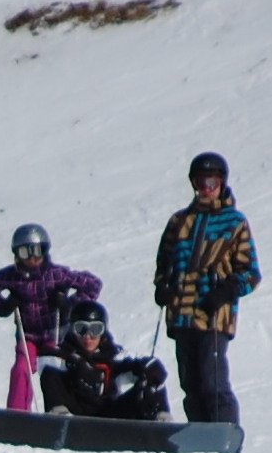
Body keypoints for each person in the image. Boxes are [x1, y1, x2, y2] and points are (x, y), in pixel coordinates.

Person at [153, 151, 260, 425]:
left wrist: (225, 291)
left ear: (222, 183)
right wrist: (163, 287)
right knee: (190, 384)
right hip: (181, 315)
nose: (206, 189)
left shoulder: (234, 222)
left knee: (212, 381)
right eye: (201, 182)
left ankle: (223, 432)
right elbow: (164, 263)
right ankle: (199, 435)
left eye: (212, 182)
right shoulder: (179, 222)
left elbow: (250, 273)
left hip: (213, 315)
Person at [0, 224, 102, 411]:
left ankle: (62, 408)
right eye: (25, 253)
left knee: (54, 370)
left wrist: (69, 304)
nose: (33, 258)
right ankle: (17, 414)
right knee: (21, 369)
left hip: (56, 334)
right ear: (16, 254)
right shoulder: (12, 276)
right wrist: (3, 306)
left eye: (38, 251)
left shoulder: (56, 275)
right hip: (28, 336)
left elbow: (93, 284)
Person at [39, 300, 170, 420]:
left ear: (104, 331)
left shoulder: (113, 355)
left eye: (96, 329)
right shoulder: (63, 355)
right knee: (50, 374)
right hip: (75, 415)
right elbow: (46, 361)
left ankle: (160, 421)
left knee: (151, 376)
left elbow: (134, 363)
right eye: (81, 329)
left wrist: (149, 368)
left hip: (109, 415)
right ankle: (59, 417)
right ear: (72, 330)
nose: (88, 336)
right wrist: (78, 366)